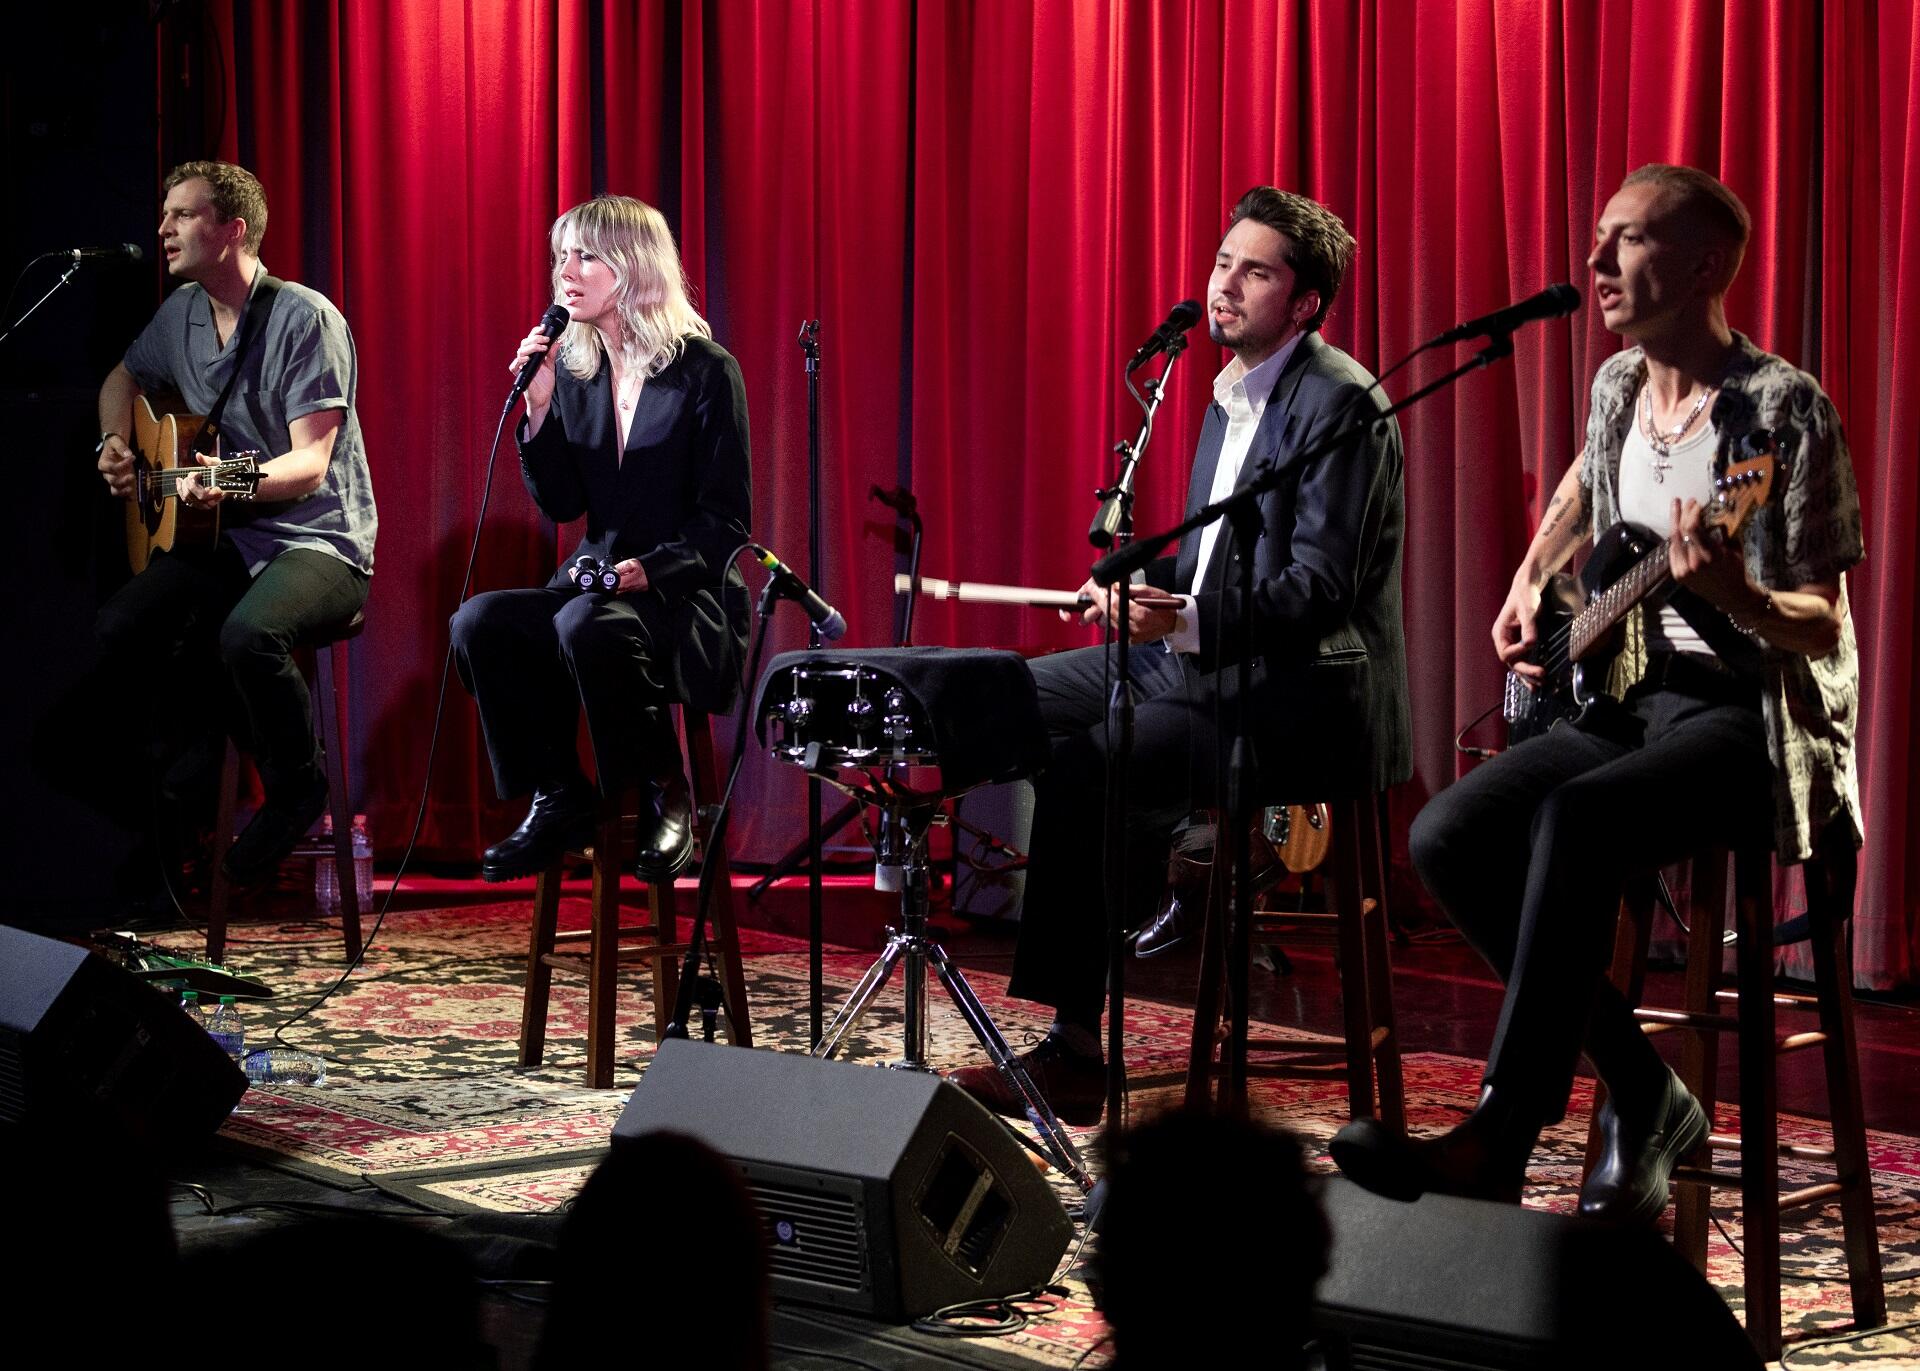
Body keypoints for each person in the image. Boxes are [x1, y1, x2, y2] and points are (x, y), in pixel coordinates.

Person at [1332, 165, 1864, 1225]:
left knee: (1574, 821)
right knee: (1449, 835)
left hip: (1750, 718)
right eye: (1597, 238)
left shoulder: (1777, 409)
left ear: (1704, 264)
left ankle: (1502, 1130)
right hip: (1630, 698)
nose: (1592, 264)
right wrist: (1534, 577)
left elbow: (1823, 621)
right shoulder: (1620, 381)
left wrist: (1738, 592)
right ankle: (1645, 1087)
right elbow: (1586, 479)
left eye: (1622, 241)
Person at [951, 187, 1411, 1125]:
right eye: (1221, 262)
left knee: (1101, 759)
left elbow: (1319, 587)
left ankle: (1080, 1041)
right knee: (1007, 698)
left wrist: (1184, 622)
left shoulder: (1340, 403)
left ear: (1306, 301)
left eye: (1256, 271)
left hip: (1302, 690)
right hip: (1206, 661)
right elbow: (1213, 563)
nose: (1225, 285)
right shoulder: (1226, 396)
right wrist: (1137, 585)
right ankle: (1150, 867)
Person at [93, 160, 377, 885]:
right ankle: (181, 795)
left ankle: (296, 785)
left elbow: (311, 464)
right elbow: (122, 377)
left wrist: (225, 478)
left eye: (183, 215)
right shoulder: (179, 313)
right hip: (230, 538)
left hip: (320, 540)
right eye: (166, 214)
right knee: (125, 625)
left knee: (248, 634)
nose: (163, 229)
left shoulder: (307, 318)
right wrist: (114, 443)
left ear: (232, 231)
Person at [451, 195, 750, 882]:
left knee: (587, 621)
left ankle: (663, 790)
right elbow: (562, 503)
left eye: (585, 254)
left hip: (685, 594)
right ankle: (560, 795)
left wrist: (645, 570)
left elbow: (726, 524)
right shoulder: (579, 373)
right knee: (480, 622)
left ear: (633, 266)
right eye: (562, 256)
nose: (566, 270)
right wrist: (541, 403)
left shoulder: (705, 371)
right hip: (597, 591)